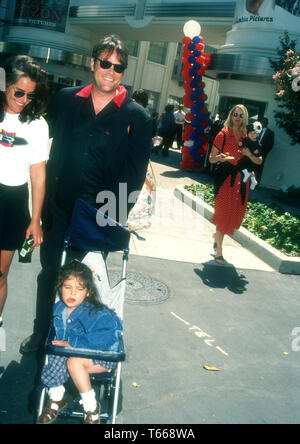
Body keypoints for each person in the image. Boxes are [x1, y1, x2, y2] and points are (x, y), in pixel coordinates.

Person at [20, 35, 152, 353]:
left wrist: (110, 222)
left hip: (98, 217)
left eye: (118, 67)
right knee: (50, 275)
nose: (110, 71)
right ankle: (42, 334)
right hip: (59, 210)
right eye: (105, 63)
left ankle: (74, 345)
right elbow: (31, 126)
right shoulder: (65, 99)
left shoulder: (137, 117)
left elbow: (132, 179)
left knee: (82, 284)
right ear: (93, 64)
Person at [37, 260, 122, 425]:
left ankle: (91, 409)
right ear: (59, 287)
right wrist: (64, 345)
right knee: (55, 350)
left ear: (88, 292)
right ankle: (56, 399)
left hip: (100, 357)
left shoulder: (96, 313)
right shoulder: (59, 309)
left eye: (79, 289)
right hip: (71, 353)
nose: (72, 294)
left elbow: (107, 337)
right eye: (67, 287)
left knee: (74, 362)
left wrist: (72, 343)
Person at [0, 55, 49, 328]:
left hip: (13, 202)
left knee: (0, 274)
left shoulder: (37, 125)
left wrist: (35, 220)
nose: (24, 100)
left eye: (31, 95)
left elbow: (38, 174)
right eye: (19, 92)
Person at [209, 105, 262, 265]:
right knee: (224, 213)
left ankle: (216, 238)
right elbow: (211, 158)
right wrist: (221, 158)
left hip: (241, 181)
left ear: (244, 117)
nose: (237, 117)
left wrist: (249, 163)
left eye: (240, 115)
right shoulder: (223, 134)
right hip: (225, 179)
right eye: (234, 114)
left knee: (234, 214)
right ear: (230, 116)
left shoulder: (247, 135)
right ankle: (219, 252)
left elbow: (257, 159)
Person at [238, 121, 263, 190]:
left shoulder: (258, 143)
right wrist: (240, 144)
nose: (252, 134)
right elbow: (242, 144)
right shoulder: (246, 139)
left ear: (258, 134)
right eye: (250, 133)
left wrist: (256, 152)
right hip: (245, 158)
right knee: (242, 164)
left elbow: (259, 153)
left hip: (251, 160)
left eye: (254, 133)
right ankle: (253, 180)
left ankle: (250, 178)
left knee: (248, 167)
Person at [256, 116, 274, 184]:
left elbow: (271, 145)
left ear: (267, 123)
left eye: (264, 122)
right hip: (253, 151)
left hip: (262, 153)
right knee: (251, 166)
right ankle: (248, 182)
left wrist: (264, 152)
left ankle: (257, 183)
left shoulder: (270, 133)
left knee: (259, 168)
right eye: (262, 122)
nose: (263, 123)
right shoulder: (255, 130)